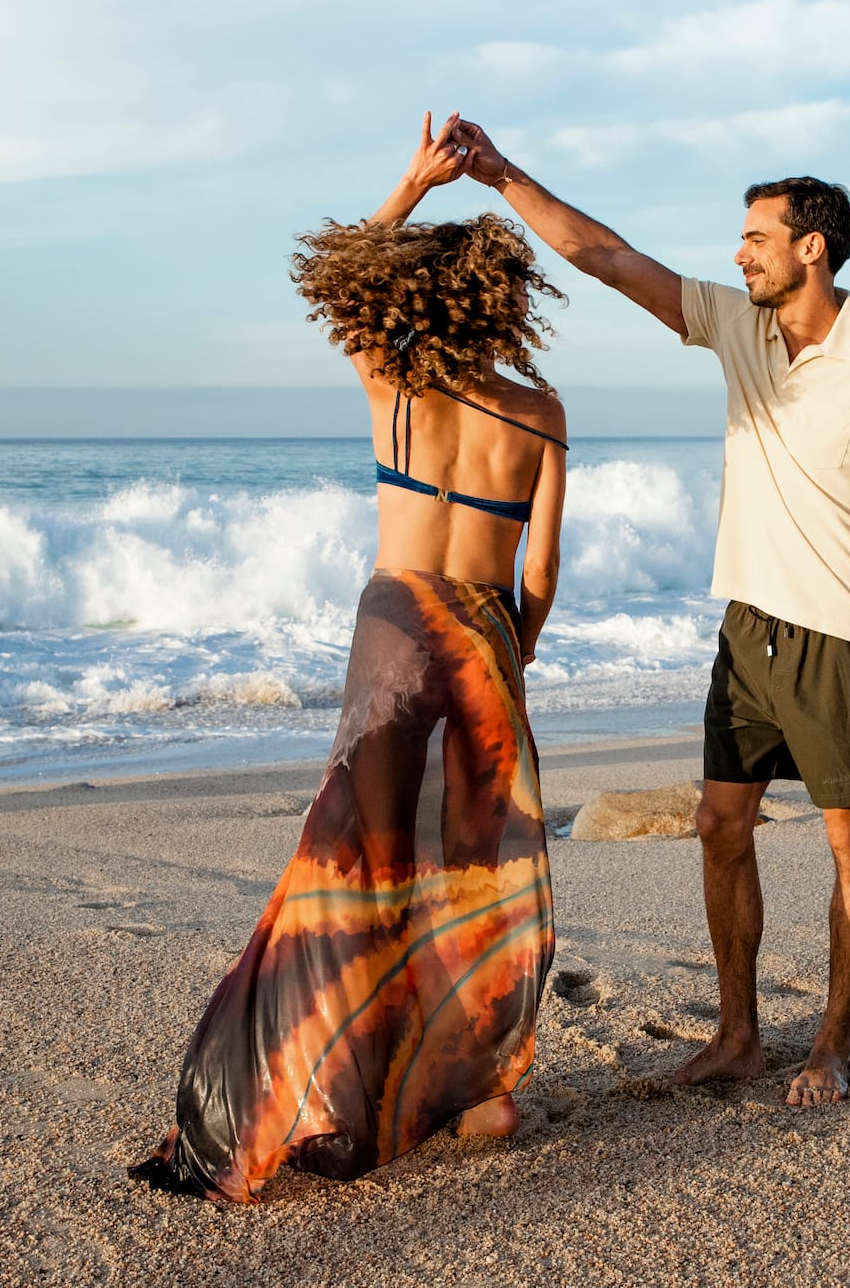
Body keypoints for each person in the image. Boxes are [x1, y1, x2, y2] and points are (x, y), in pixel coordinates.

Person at [451, 119, 850, 1107]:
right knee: (718, 824)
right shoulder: (735, 324)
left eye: (755, 239)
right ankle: (736, 1035)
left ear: (809, 248)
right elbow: (605, 259)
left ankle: (829, 1042)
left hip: (839, 639)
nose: (737, 254)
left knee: (847, 842)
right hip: (748, 631)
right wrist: (500, 172)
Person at [133, 114, 569, 1199]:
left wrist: (410, 187)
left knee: (358, 863)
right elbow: (544, 573)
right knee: (473, 864)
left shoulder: (391, 379)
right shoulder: (544, 412)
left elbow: (338, 286)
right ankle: (472, 1089)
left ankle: (315, 1084)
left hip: (391, 631)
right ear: (506, 298)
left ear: (417, 296)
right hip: (483, 636)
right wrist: (508, 654)